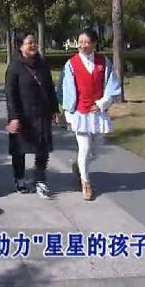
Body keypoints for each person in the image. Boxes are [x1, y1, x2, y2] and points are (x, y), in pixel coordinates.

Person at [57, 28, 121, 201]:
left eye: (86, 42)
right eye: (80, 42)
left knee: (94, 151)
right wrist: (67, 112)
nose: (82, 45)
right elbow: (65, 90)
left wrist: (102, 103)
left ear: (94, 44)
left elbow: (112, 86)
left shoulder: (103, 62)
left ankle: (79, 167)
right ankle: (85, 182)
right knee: (84, 148)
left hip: (98, 113)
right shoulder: (71, 64)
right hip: (80, 113)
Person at [5, 33, 62, 197]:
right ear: (20, 46)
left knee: (43, 148)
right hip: (22, 115)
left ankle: (40, 179)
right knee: (19, 149)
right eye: (29, 43)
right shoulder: (14, 67)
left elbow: (50, 90)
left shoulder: (42, 65)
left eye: (34, 42)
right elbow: (10, 95)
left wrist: (55, 110)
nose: (33, 45)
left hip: (41, 113)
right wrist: (14, 117)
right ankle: (19, 179)